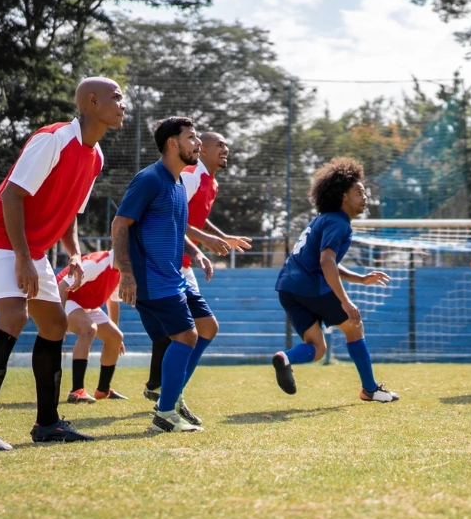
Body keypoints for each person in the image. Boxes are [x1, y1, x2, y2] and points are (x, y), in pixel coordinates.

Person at [0, 77, 125, 451]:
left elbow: (69, 214)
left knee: (54, 324)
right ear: (92, 102)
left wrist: (76, 253)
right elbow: (12, 196)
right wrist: (23, 258)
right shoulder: (53, 139)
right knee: (14, 317)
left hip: (32, 247)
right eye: (116, 97)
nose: (123, 103)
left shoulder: (95, 157)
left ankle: (47, 424)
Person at [112, 116, 218, 433]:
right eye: (192, 137)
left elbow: (174, 226)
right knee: (186, 336)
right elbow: (120, 224)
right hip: (150, 278)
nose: (198, 143)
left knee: (208, 327)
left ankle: (172, 396)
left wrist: (197, 251)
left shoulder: (176, 183)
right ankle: (165, 413)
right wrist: (126, 274)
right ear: (173, 143)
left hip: (173, 275)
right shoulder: (150, 179)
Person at [269, 157, 398, 403]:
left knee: (317, 348)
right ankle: (370, 389)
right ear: (343, 197)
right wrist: (346, 302)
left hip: (287, 287)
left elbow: (325, 260)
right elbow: (326, 261)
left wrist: (359, 278)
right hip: (309, 286)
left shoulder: (322, 219)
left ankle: (285, 358)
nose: (364, 197)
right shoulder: (339, 223)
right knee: (354, 325)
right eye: (358, 192)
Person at [141, 131, 251, 402]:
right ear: (203, 150)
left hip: (184, 263)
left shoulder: (210, 182)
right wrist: (204, 241)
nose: (226, 149)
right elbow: (174, 216)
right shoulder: (190, 175)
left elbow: (195, 219)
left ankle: (167, 391)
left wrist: (223, 238)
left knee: (199, 328)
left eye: (227, 144)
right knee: (194, 329)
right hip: (170, 265)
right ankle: (168, 395)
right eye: (220, 145)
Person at [57, 250, 127, 403]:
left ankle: (103, 390)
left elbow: (113, 301)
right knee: (89, 329)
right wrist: (59, 321)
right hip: (64, 298)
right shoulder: (96, 263)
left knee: (116, 337)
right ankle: (77, 391)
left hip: (85, 304)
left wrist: (113, 338)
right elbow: (62, 286)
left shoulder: (120, 271)